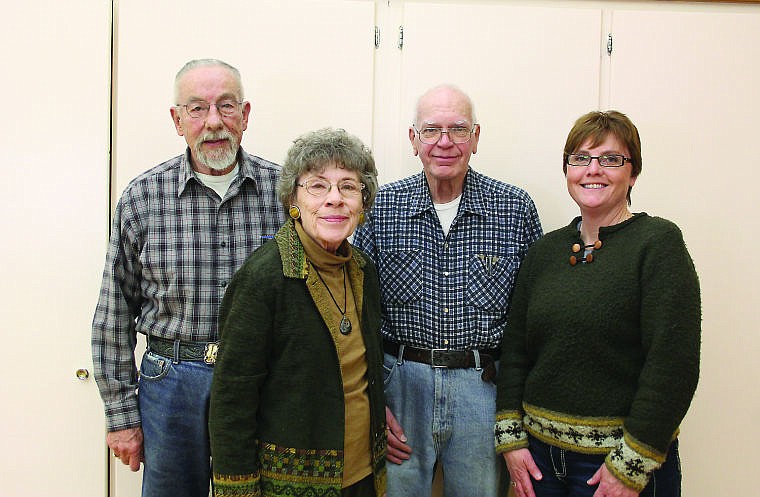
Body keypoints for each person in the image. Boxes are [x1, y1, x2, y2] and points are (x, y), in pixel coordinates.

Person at [91, 59, 285, 497]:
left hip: (261, 382)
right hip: (170, 384)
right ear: (177, 120)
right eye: (197, 108)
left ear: (245, 114)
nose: (213, 122)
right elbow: (113, 314)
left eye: (226, 106)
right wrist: (121, 416)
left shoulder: (284, 193)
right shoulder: (143, 197)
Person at [494, 110, 701, 497]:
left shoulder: (657, 244)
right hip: (539, 463)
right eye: (581, 158)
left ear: (633, 173)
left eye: (610, 159)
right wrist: (511, 440)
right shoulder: (545, 251)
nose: (593, 170)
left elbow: (673, 365)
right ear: (567, 169)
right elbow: (517, 349)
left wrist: (630, 464)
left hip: (616, 465)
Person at [352, 85, 542, 497]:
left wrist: (515, 412)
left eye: (457, 129)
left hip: (484, 389)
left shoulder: (514, 208)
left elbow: (532, 321)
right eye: (431, 130)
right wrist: (373, 402)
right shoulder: (381, 207)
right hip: (400, 385)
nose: (444, 142)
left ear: (475, 137)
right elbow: (357, 312)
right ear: (413, 139)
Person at [209, 128, 387, 497]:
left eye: (348, 187)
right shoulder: (263, 278)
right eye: (318, 186)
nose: (334, 199)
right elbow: (231, 402)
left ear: (362, 202)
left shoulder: (362, 271)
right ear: (294, 199)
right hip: (289, 485)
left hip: (363, 476)